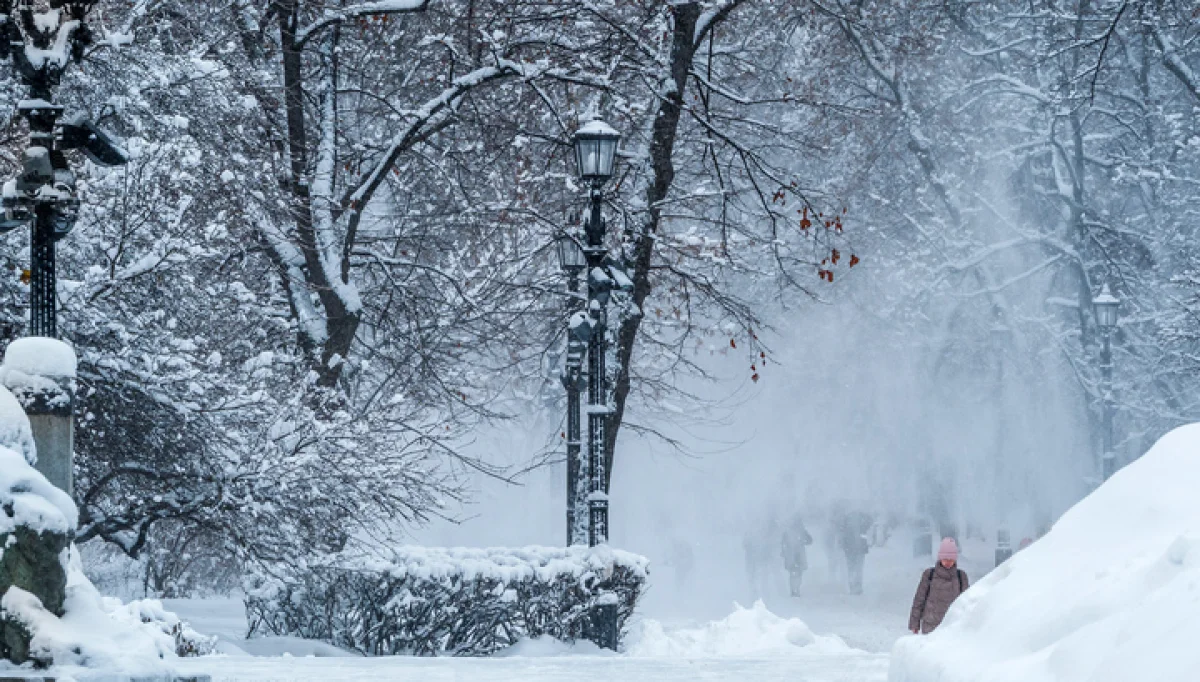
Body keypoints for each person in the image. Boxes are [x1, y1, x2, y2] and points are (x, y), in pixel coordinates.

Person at [908, 537, 969, 634]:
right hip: (931, 627)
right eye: (945, 559)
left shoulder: (961, 577)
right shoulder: (929, 575)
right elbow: (919, 600)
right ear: (940, 558)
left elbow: (967, 603)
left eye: (951, 559)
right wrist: (914, 624)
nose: (948, 562)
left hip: (952, 627)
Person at [834, 508, 872, 595]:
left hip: (849, 549)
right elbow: (869, 522)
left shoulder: (845, 521)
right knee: (858, 569)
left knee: (851, 568)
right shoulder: (862, 523)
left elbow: (840, 531)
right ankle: (858, 587)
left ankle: (853, 587)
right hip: (860, 549)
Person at [780, 514, 813, 596]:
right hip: (797, 555)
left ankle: (794, 589)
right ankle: (795, 589)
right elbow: (810, 540)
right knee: (797, 572)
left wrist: (784, 551)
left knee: (794, 573)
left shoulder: (788, 531)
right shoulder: (800, 530)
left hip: (792, 555)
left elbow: (809, 540)